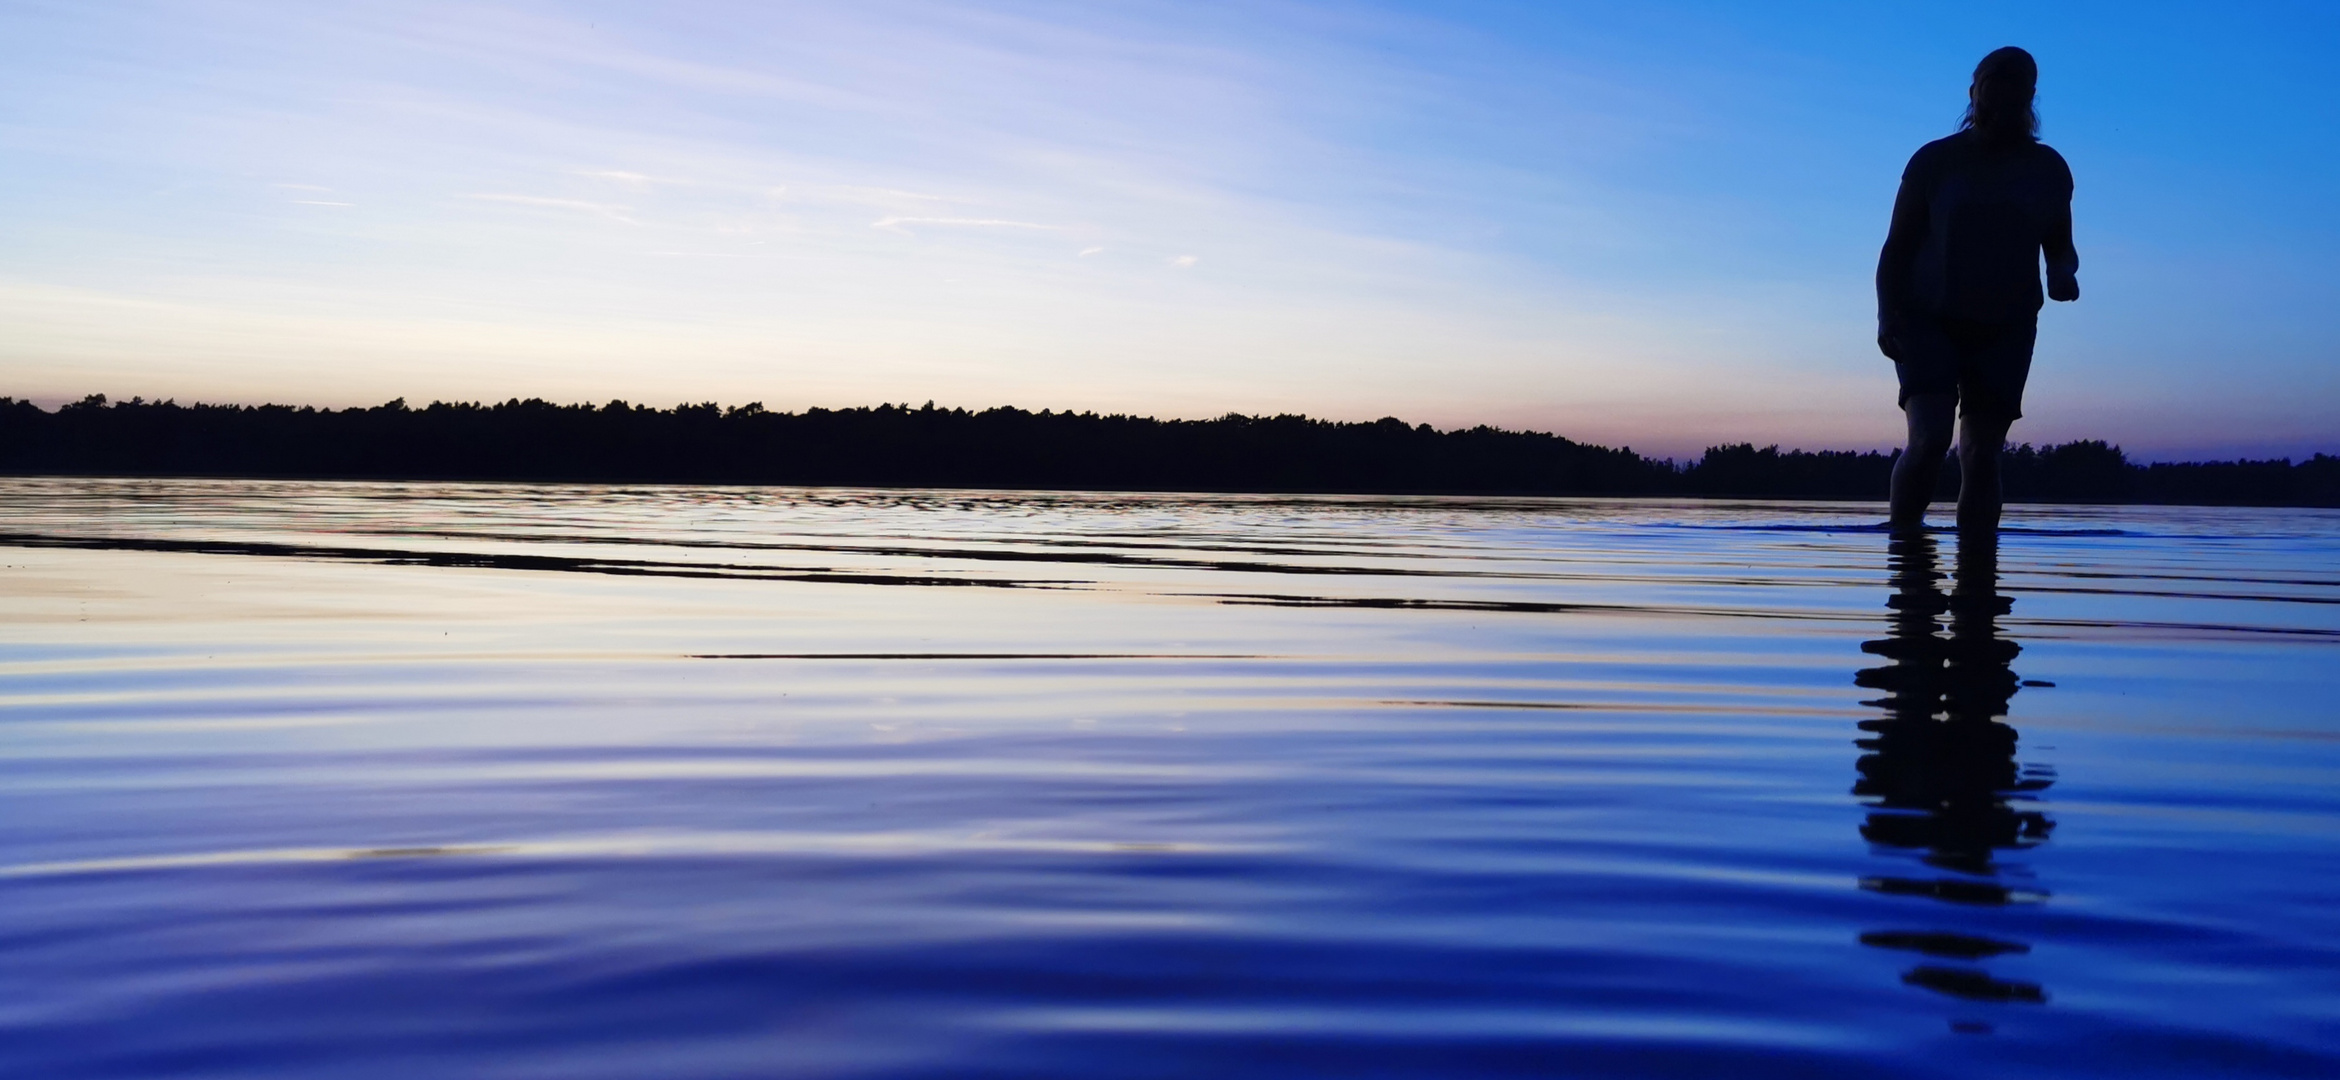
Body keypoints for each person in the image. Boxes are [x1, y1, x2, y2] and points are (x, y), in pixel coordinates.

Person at [1876, 46, 2079, 532]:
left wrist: (2062, 273)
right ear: (1975, 92)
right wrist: (1887, 314)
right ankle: (1905, 553)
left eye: (2017, 83)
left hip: (2006, 327)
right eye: (1994, 80)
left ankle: (1976, 590)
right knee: (1928, 439)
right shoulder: (1934, 161)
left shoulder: (2048, 169)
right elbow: (1897, 248)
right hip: (1928, 321)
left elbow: (2061, 245)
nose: (2004, 91)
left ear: (2031, 96)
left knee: (1983, 452)